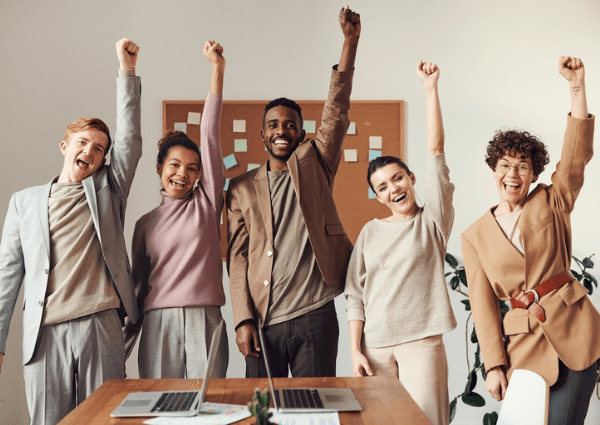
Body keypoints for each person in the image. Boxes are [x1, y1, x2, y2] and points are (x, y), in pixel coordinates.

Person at [0, 38, 142, 425]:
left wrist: (126, 71)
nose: (91, 153)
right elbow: (7, 277)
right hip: (45, 333)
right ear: (65, 146)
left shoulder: (108, 192)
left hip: (101, 325)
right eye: (83, 143)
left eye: (99, 149)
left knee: (106, 420)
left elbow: (129, 142)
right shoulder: (23, 202)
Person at [461, 56, 600, 425]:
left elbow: (575, 157)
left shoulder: (550, 200)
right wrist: (493, 365)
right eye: (505, 164)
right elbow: (484, 306)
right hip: (524, 345)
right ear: (494, 170)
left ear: (534, 173)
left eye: (523, 166)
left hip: (575, 331)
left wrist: (576, 88)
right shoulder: (474, 236)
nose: (513, 173)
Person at [226, 6, 360, 378]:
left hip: (314, 314)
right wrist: (242, 320)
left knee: (313, 410)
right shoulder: (239, 189)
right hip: (262, 319)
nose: (281, 130)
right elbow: (237, 259)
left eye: (289, 125)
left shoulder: (316, 163)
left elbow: (336, 109)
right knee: (261, 411)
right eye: (273, 125)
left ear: (301, 133)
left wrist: (350, 43)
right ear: (263, 135)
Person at [344, 61, 456, 425]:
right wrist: (355, 349)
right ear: (377, 196)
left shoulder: (432, 222)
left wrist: (430, 90)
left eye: (398, 179)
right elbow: (355, 295)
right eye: (383, 187)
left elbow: (435, 151)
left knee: (425, 422)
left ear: (410, 178)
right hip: (374, 348)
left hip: (421, 345)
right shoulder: (369, 232)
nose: (394, 189)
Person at [123, 41, 228, 379]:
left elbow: (209, 135)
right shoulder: (144, 225)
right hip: (157, 323)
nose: (182, 174)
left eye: (192, 168)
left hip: (205, 318)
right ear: (159, 168)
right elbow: (138, 289)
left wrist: (217, 69)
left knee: (210, 406)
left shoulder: (207, 203)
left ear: (201, 175)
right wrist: (121, 346)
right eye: (174, 165)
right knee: (160, 407)